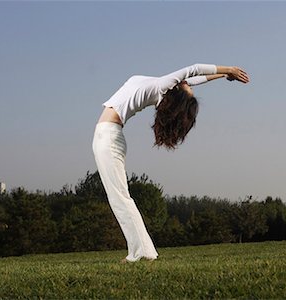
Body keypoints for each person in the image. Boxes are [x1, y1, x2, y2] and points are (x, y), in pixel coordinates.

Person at [92, 63, 250, 263]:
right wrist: (224, 74)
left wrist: (228, 70)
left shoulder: (162, 86)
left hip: (108, 137)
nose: (190, 87)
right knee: (120, 197)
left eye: (189, 90)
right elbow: (194, 76)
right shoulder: (166, 85)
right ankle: (144, 251)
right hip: (107, 136)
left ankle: (141, 252)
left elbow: (193, 69)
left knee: (120, 198)